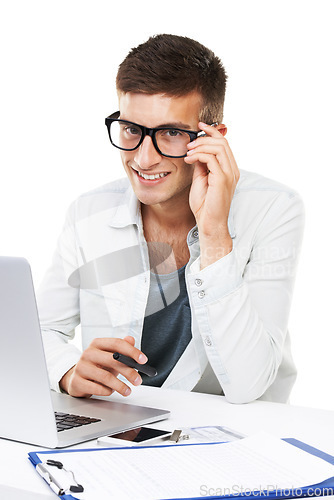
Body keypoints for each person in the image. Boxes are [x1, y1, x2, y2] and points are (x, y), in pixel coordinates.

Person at [37, 34, 304, 404]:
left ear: (214, 137)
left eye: (172, 133)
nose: (144, 159)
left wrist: (214, 236)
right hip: (121, 425)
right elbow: (41, 331)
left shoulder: (275, 208)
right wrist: (68, 372)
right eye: (132, 129)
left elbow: (249, 386)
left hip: (232, 435)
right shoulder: (88, 213)